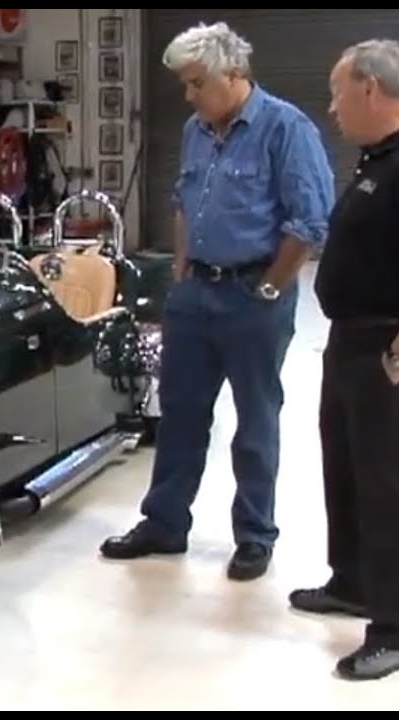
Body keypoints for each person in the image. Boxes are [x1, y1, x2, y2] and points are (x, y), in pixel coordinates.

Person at [99, 22, 335, 581]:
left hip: (254, 296)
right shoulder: (196, 129)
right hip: (195, 295)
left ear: (234, 74)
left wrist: (272, 287)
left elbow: (310, 221)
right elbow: (183, 200)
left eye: (196, 82)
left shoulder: (286, 129)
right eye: (184, 84)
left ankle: (254, 535)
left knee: (255, 421)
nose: (188, 95)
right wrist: (181, 271)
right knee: (179, 412)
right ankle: (164, 522)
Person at [293, 39, 399, 681]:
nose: (332, 106)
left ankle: (398, 629)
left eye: (338, 91)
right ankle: (355, 582)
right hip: (353, 345)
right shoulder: (378, 163)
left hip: (393, 349)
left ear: (370, 88)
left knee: (395, 488)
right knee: (347, 470)